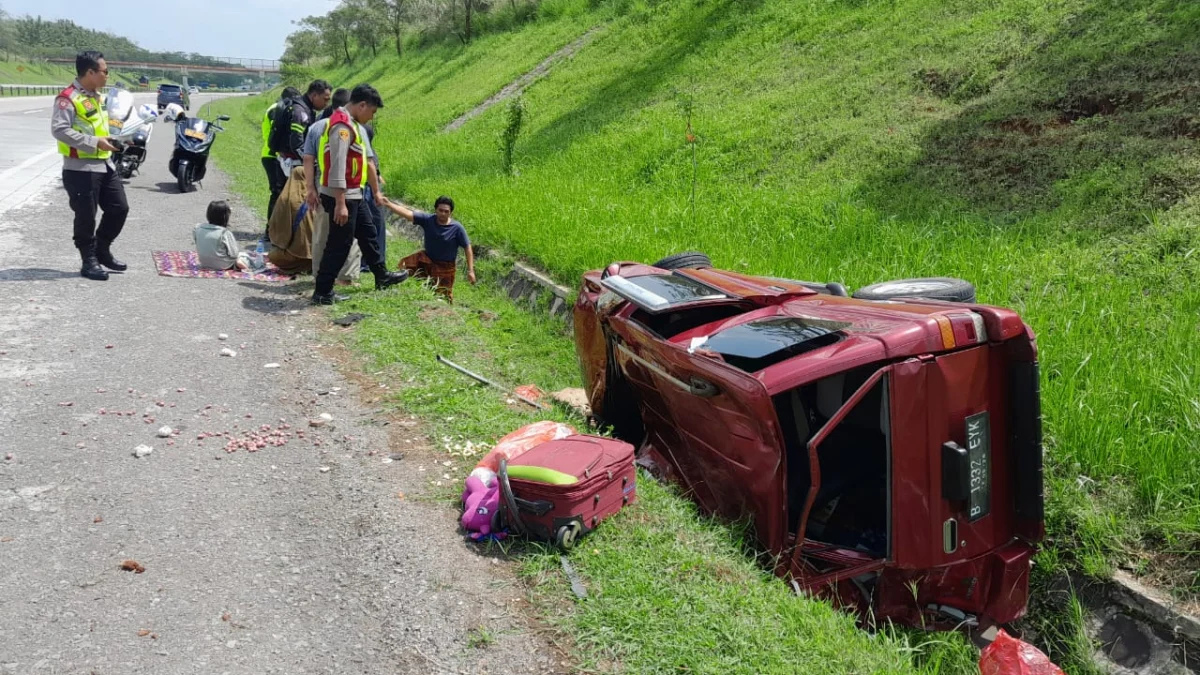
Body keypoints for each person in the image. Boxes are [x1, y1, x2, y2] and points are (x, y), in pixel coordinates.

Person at [309, 83, 406, 305]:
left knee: (368, 233)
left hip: (355, 193)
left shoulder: (351, 124)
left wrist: (374, 191)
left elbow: (363, 162)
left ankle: (381, 276)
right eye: (371, 112)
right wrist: (341, 203)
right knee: (339, 243)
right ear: (362, 105)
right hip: (341, 195)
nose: (371, 117)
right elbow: (338, 165)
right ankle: (323, 291)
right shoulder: (342, 127)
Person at [50, 50, 128, 281]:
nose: (107, 76)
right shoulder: (67, 98)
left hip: (104, 165)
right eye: (105, 71)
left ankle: (101, 249)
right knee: (86, 216)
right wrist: (95, 143)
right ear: (90, 72)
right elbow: (59, 130)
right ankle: (88, 261)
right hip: (80, 168)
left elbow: (102, 127)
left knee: (119, 208)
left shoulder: (99, 97)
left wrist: (120, 139)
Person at [383, 196, 476, 302]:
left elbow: (467, 247)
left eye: (446, 211)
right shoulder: (428, 220)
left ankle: (445, 311)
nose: (443, 213)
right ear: (435, 210)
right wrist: (388, 204)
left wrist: (470, 271)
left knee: (443, 296)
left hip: (445, 268)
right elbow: (408, 214)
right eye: (440, 210)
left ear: (451, 213)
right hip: (427, 260)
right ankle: (398, 289)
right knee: (406, 266)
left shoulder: (457, 228)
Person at [269, 79, 331, 176]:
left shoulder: (305, 108)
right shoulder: (300, 112)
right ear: (314, 95)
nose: (326, 104)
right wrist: (311, 162)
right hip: (293, 165)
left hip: (292, 162)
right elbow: (297, 144)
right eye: (325, 99)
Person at [261, 86, 301, 225]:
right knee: (277, 192)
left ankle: (278, 227)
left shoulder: (277, 107)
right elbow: (277, 133)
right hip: (273, 155)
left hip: (273, 154)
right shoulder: (278, 109)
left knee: (280, 192)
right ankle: (271, 228)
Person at [193, 200, 257, 271]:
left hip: (204, 262)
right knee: (244, 256)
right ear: (225, 216)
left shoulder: (198, 227)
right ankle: (239, 263)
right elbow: (234, 254)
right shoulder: (224, 232)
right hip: (223, 265)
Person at [359, 122, 386, 273]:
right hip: (367, 189)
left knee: (371, 225)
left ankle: (370, 261)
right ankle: (373, 260)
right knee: (373, 225)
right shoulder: (368, 151)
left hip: (366, 189)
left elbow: (372, 168)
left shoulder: (364, 151)